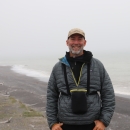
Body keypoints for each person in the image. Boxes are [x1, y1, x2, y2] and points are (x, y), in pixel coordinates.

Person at [46, 28, 115, 130]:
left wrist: (103, 121)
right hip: (64, 125)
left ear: (85, 42)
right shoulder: (58, 67)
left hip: (93, 125)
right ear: (67, 42)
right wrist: (52, 123)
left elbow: (108, 94)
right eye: (73, 39)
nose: (76, 42)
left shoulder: (97, 65)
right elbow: (51, 96)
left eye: (80, 39)